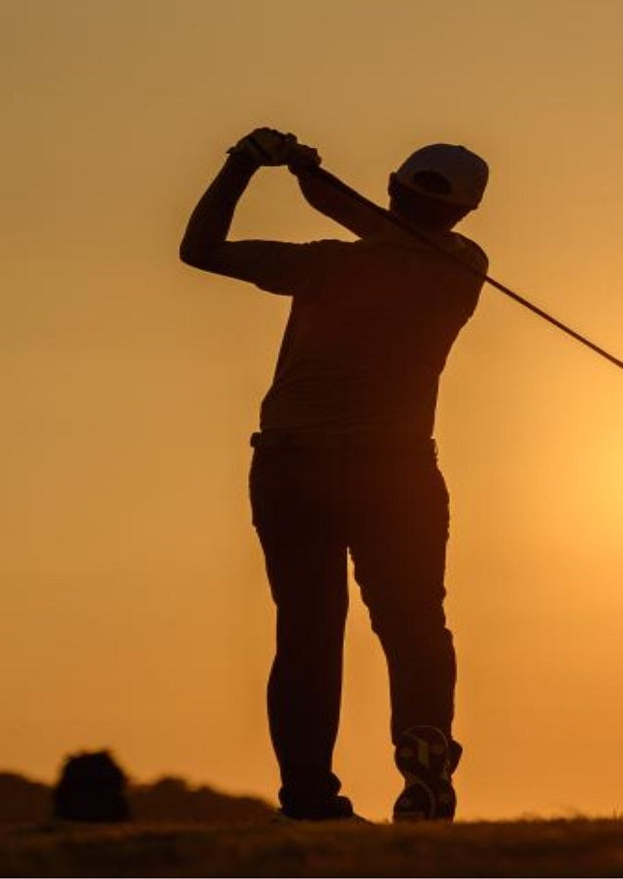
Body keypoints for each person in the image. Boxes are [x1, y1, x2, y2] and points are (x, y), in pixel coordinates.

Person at [179, 127, 489, 822]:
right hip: (397, 470)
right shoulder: (465, 266)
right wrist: (307, 177)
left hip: (294, 463)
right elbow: (383, 226)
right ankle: (424, 758)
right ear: (465, 214)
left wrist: (246, 166)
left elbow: (198, 250)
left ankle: (310, 799)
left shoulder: (326, 268)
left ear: (391, 188)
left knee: (308, 632)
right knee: (413, 626)